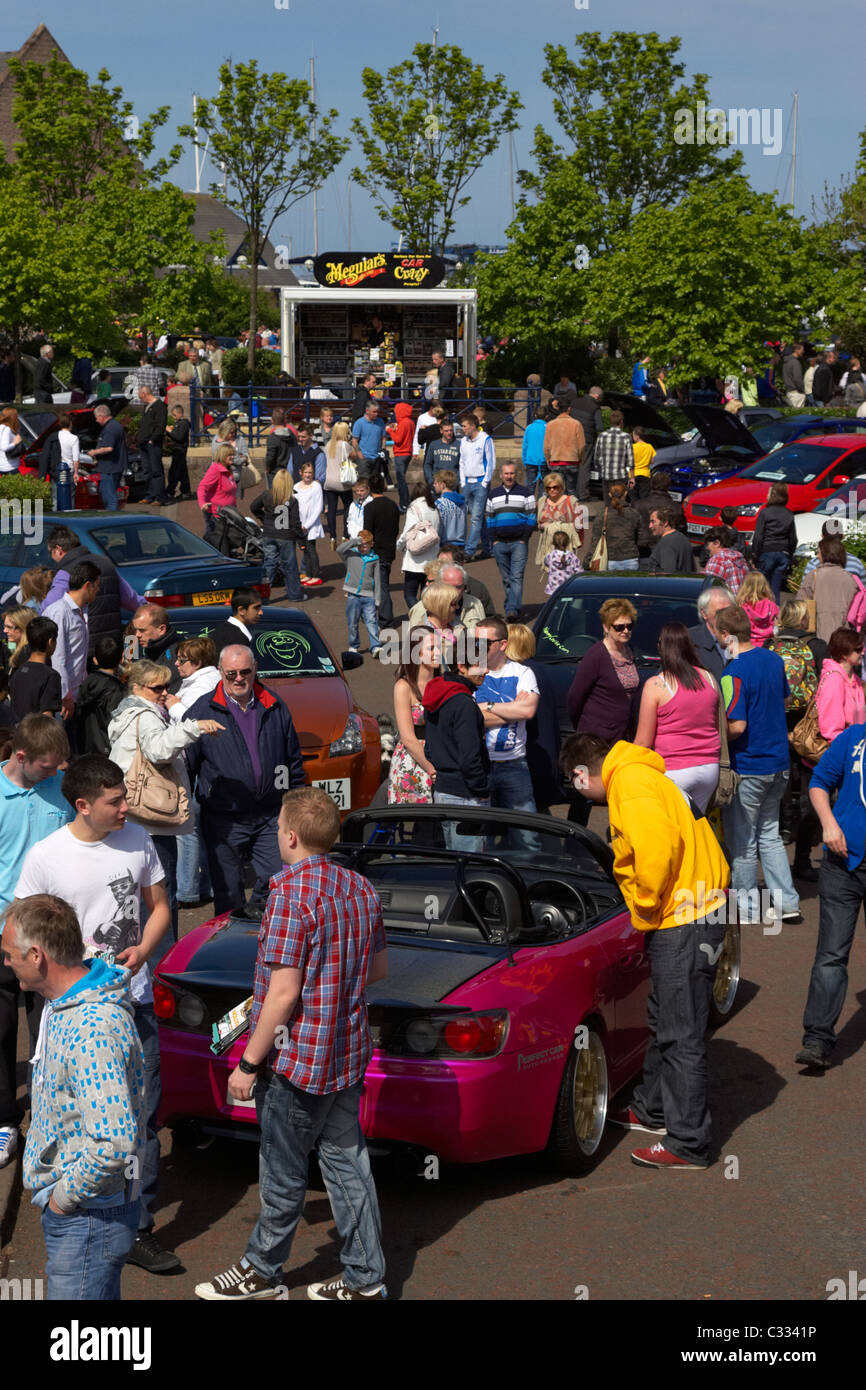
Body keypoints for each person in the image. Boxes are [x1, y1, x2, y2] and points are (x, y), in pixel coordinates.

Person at [195, 787, 387, 1301]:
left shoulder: (286, 895)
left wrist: (248, 1064)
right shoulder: (360, 887)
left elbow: (282, 993)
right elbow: (379, 969)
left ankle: (262, 1271)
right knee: (348, 1164)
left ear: (292, 836)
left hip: (296, 1058)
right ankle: (366, 1278)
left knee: (282, 1171)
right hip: (345, 1051)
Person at [14, 755, 177, 1274]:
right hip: (69, 1011)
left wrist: (144, 951)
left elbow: (160, 908)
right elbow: (23, 928)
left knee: (140, 1118)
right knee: (70, 1114)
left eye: (125, 797)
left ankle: (137, 1223)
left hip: (135, 1001)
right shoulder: (47, 857)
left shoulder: (138, 841)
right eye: (116, 801)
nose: (126, 807)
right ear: (82, 805)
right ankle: (71, 1207)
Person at [560, 732, 729, 1170]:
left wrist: (643, 909)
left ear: (582, 774)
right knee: (664, 1015)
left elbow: (655, 856)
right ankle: (652, 1109)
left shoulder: (629, 786)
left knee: (680, 1031)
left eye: (573, 783)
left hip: (683, 917)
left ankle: (688, 1141)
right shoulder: (640, 775)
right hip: (698, 907)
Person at [2, 894, 145, 1298]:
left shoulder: (91, 1030)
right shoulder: (66, 999)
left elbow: (114, 1141)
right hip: (88, 1213)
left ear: (36, 955)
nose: (6, 963)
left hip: (87, 1216)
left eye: (9, 955)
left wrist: (65, 1198)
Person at [0, 716, 72, 1171]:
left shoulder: (61, 787)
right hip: (3, 935)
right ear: (20, 756)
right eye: (46, 768)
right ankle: (6, 1120)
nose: (54, 774)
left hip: (53, 937)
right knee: (2, 1030)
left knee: (52, 1033)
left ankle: (54, 1122)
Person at [185, 646, 305, 916]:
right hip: (223, 819)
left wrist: (296, 807)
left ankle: (263, 931)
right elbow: (186, 767)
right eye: (231, 674)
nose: (238, 678)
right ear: (220, 673)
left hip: (271, 815)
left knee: (278, 880)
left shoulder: (274, 704)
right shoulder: (202, 710)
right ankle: (231, 947)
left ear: (255, 670)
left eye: (245, 672)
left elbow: (292, 761)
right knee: (228, 894)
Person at [108, 659, 223, 936]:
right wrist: (193, 728)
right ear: (137, 688)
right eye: (157, 687)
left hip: (133, 814)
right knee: (161, 891)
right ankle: (162, 957)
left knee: (140, 892)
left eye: (167, 685)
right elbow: (159, 749)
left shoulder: (126, 713)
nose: (164, 692)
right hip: (152, 816)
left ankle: (146, 952)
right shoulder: (145, 716)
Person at [716, 604, 800, 924]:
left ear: (726, 635)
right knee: (770, 835)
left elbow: (737, 726)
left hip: (750, 765)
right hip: (778, 761)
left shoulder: (733, 672)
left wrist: (716, 735)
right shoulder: (774, 659)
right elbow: (784, 701)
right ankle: (787, 901)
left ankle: (749, 908)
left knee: (745, 841)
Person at [796, 718, 866, 1068]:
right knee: (831, 955)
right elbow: (820, 783)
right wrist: (828, 822)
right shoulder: (854, 737)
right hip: (843, 864)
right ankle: (817, 1038)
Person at [566, 598, 640, 825]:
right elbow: (575, 697)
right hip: (592, 737)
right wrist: (585, 729)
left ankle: (615, 841)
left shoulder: (629, 652)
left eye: (629, 626)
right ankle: (572, 845)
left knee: (616, 791)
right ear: (606, 628)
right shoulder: (596, 655)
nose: (625, 631)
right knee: (582, 794)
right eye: (619, 627)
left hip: (619, 738)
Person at [634, 622, 722, 812]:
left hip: (674, 769)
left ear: (661, 647)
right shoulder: (709, 679)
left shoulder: (657, 684)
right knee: (696, 825)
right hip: (709, 768)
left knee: (673, 827)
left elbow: (643, 741)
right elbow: (715, 725)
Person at [423, 648, 491, 850]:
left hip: (443, 791)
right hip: (465, 796)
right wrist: (482, 789)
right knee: (472, 868)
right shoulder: (464, 704)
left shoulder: (436, 696)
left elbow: (430, 748)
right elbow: (470, 756)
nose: (486, 670)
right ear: (462, 667)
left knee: (455, 866)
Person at [474, 616, 540, 823]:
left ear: (503, 644)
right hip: (479, 764)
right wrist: (512, 709)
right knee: (482, 833)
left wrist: (489, 707)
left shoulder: (523, 673)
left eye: (484, 642)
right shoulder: (470, 673)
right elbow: (469, 717)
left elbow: (528, 712)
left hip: (514, 763)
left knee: (527, 833)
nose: (476, 647)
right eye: (473, 641)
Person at [41, 525, 143, 655]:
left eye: (51, 552)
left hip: (84, 646)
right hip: (111, 645)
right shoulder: (106, 564)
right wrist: (150, 609)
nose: (52, 558)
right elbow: (131, 599)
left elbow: (48, 608)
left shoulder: (67, 571)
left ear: (58, 549)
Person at [43, 561, 101, 724]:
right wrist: (65, 695)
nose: (98, 590)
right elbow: (58, 657)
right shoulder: (60, 612)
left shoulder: (81, 612)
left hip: (76, 695)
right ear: (87, 585)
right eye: (96, 586)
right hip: (63, 701)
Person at [388, 627, 438, 803]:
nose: (438, 653)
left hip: (439, 753)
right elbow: (408, 738)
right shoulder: (404, 687)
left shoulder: (443, 682)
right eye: (432, 648)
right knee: (421, 822)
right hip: (414, 760)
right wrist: (430, 768)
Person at [486, 462, 536, 620]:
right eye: (506, 473)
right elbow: (489, 517)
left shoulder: (526, 493)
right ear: (501, 475)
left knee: (516, 577)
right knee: (506, 578)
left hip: (518, 543)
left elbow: (532, 516)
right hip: (499, 543)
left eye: (512, 473)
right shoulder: (493, 494)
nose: (509, 476)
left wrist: (524, 538)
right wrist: (494, 540)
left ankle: (512, 610)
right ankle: (512, 606)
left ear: (516, 475)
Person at [250, 470, 305, 603]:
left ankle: (263, 597)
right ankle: (294, 595)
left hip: (269, 534)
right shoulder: (292, 500)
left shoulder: (267, 495)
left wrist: (263, 518)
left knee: (269, 564)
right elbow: (295, 523)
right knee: (290, 566)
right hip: (286, 536)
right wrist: (301, 538)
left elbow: (253, 507)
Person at [797, 534, 860, 643]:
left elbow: (799, 605)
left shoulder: (813, 576)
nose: (817, 556)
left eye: (819, 552)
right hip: (844, 638)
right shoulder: (851, 579)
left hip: (816, 636)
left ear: (826, 553)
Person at [73, 633, 125, 756]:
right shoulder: (115, 689)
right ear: (121, 660)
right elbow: (114, 723)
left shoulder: (87, 681)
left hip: (84, 747)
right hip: (107, 750)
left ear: (95, 660)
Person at [815, 626, 866, 742]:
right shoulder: (834, 680)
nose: (863, 652)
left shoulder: (855, 680)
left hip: (855, 745)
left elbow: (860, 719)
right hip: (840, 750)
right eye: (858, 649)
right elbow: (830, 731)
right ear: (844, 654)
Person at [397, 481, 441, 611]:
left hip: (415, 560)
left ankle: (421, 616)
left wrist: (399, 545)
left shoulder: (414, 508)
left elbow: (407, 531)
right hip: (432, 557)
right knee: (426, 594)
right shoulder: (434, 508)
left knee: (409, 594)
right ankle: (427, 615)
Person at [337, 531, 382, 657]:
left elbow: (377, 580)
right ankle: (353, 645)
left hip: (369, 596)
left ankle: (376, 646)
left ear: (371, 544)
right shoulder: (351, 554)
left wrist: (377, 598)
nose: (362, 548)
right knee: (352, 622)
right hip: (352, 595)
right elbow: (339, 549)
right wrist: (354, 541)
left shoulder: (375, 559)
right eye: (360, 545)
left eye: (365, 545)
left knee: (371, 621)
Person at [751, 482, 797, 604]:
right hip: (782, 553)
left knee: (761, 590)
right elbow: (793, 538)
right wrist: (789, 555)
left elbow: (758, 536)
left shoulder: (765, 513)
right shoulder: (788, 513)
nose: (766, 495)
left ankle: (761, 616)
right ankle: (775, 616)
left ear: (773, 495)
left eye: (768, 492)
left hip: (766, 553)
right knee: (775, 591)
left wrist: (755, 554)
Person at [364, 472, 400, 627]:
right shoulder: (393, 505)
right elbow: (396, 528)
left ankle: (385, 618)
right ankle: (375, 614)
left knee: (380, 587)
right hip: (389, 549)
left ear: (370, 488)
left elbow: (367, 533)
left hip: (375, 551)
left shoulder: (370, 507)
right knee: (381, 584)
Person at [459, 413, 496, 561]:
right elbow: (461, 462)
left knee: (475, 518)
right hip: (467, 483)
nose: (462, 429)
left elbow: (491, 462)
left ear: (473, 426)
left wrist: (485, 482)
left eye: (464, 426)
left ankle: (468, 551)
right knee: (479, 518)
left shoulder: (486, 439)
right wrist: (463, 482)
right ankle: (488, 548)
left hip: (480, 483)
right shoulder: (463, 441)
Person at [9, 616, 60, 720]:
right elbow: (47, 716)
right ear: (50, 642)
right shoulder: (51, 675)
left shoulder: (18, 671)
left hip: (19, 731)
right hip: (37, 733)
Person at [407, 565, 484, 633]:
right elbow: (412, 645)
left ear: (464, 586)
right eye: (449, 586)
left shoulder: (475, 603)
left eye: (458, 587)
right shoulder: (419, 609)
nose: (454, 591)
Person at [535, 471, 585, 573]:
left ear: (561, 487)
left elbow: (579, 525)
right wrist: (543, 526)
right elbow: (538, 524)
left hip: (567, 546)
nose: (552, 490)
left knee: (567, 576)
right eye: (549, 488)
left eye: (555, 487)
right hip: (548, 547)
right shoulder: (541, 502)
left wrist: (558, 526)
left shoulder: (571, 501)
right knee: (553, 578)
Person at [688, 585, 734, 683]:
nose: (725, 617)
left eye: (729, 611)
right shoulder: (688, 641)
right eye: (719, 612)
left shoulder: (739, 637)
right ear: (704, 613)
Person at [591, 481, 640, 571]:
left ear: (610, 495)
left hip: (610, 558)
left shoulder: (603, 514)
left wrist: (588, 560)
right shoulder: (634, 513)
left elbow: (595, 539)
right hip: (630, 557)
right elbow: (640, 536)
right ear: (625, 493)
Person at [88, 404, 128, 511]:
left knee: (110, 499)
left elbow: (109, 448)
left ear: (101, 416)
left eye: (96, 418)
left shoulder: (109, 429)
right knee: (108, 494)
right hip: (115, 467)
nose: (96, 420)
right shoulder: (116, 425)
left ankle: (111, 521)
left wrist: (94, 452)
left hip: (109, 469)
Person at [543, 397, 585, 499]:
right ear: (569, 409)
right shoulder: (576, 424)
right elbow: (582, 445)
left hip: (555, 460)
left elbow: (546, 446)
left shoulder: (550, 424)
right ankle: (572, 511)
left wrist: (548, 458)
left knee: (557, 491)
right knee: (571, 491)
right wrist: (580, 457)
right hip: (572, 460)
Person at [635, 471, 685, 554]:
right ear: (668, 487)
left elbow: (632, 528)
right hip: (667, 548)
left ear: (651, 485)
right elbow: (681, 531)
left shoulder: (638, 504)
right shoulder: (676, 507)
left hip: (643, 548)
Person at [437, 546, 493, 618]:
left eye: (446, 563)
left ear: (461, 564)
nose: (441, 567)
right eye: (439, 563)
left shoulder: (477, 589)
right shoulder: (431, 588)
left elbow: (489, 618)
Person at [198, 442, 237, 544]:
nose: (232, 457)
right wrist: (202, 503)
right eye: (229, 455)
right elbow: (202, 487)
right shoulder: (215, 469)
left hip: (228, 514)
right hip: (216, 514)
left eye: (233, 454)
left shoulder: (228, 469)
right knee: (216, 542)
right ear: (222, 456)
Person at [136, 385, 169, 505]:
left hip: (152, 443)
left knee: (156, 470)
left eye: (141, 397)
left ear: (145, 394)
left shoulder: (159, 406)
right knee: (147, 470)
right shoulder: (146, 407)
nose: (141, 399)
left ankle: (160, 497)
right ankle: (150, 495)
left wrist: (153, 439)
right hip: (143, 443)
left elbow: (160, 425)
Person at [208, 587, 264, 657]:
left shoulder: (218, 631)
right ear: (241, 610)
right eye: (256, 608)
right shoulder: (238, 640)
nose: (261, 612)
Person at [323, 421, 354, 543]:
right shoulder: (345, 445)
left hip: (329, 481)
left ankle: (332, 536)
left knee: (331, 509)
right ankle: (345, 534)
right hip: (342, 482)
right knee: (348, 507)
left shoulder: (328, 444)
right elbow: (354, 456)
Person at [594, 410, 634, 504]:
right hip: (620, 476)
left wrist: (601, 470)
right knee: (619, 503)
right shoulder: (626, 437)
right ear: (621, 422)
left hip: (606, 476)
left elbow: (596, 457)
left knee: (608, 503)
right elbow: (630, 460)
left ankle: (607, 518)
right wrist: (632, 478)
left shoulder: (602, 436)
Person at [570, 386, 603, 501]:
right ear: (597, 396)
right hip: (587, 440)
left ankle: (571, 492)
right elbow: (600, 427)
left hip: (572, 438)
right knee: (584, 466)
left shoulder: (575, 402)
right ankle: (583, 494)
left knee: (573, 465)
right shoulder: (595, 407)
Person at [295, 460, 325, 586]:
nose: (308, 475)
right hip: (299, 524)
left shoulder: (316, 486)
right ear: (300, 473)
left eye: (310, 473)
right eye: (306, 472)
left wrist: (307, 525)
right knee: (305, 549)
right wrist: (298, 524)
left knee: (311, 548)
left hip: (311, 525)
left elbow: (318, 507)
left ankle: (315, 575)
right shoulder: (295, 487)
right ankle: (307, 573)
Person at [385, 401, 415, 512]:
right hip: (408, 452)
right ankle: (406, 502)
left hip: (401, 453)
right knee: (402, 479)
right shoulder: (410, 422)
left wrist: (390, 430)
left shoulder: (403, 422)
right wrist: (395, 429)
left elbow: (397, 439)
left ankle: (404, 504)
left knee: (401, 481)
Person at [736, 571, 779, 645]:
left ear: (745, 586)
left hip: (747, 644)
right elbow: (779, 620)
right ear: (764, 585)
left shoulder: (742, 607)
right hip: (768, 643)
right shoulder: (771, 605)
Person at [647, 507, 695, 573]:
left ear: (665, 523)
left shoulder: (666, 543)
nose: (650, 526)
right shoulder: (682, 538)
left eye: (653, 522)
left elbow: (667, 573)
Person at [351, 400, 387, 481]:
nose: (376, 414)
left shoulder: (380, 422)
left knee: (375, 484)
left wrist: (383, 450)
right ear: (367, 411)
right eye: (374, 412)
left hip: (377, 458)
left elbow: (383, 438)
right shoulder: (359, 423)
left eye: (377, 412)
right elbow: (354, 441)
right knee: (364, 484)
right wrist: (361, 456)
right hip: (364, 459)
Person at [432, 468, 467, 547]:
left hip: (445, 547)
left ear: (443, 485)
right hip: (460, 545)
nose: (434, 485)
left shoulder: (439, 504)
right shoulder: (463, 503)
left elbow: (438, 527)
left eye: (436, 483)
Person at [543, 529, 583, 594]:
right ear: (567, 543)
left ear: (553, 543)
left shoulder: (550, 556)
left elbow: (546, 563)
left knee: (556, 603)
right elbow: (579, 571)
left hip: (554, 588)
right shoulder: (572, 556)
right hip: (568, 587)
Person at [165, 404, 192, 500]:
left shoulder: (183, 424)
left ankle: (170, 491)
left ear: (180, 414)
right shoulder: (178, 424)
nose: (173, 417)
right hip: (177, 450)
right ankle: (186, 491)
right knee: (182, 471)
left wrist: (169, 431)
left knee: (174, 472)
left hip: (180, 450)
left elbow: (179, 437)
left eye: (175, 415)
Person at [521, 407, 547, 492]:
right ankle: (541, 504)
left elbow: (525, 445)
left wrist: (524, 460)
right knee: (543, 487)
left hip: (530, 460)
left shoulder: (529, 428)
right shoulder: (548, 427)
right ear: (546, 416)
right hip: (544, 461)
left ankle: (529, 504)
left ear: (535, 415)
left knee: (530, 487)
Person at [4, 604, 34, 674]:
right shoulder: (12, 646)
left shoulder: (27, 654)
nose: (5, 630)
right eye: (4, 626)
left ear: (23, 627)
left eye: (9, 627)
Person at [629, 427, 655, 500]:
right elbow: (652, 461)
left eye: (633, 435)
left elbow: (630, 463)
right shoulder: (649, 447)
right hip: (645, 475)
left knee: (633, 498)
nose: (633, 437)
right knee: (644, 498)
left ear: (637, 437)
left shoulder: (632, 447)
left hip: (633, 475)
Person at [0, 406, 22, 476]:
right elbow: (4, 447)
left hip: (3, 465)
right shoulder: (7, 429)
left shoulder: (1, 427)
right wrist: (15, 443)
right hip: (10, 467)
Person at [782, 343, 806, 407]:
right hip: (796, 393)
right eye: (802, 350)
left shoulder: (786, 362)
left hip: (789, 392)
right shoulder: (795, 362)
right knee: (798, 415)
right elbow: (797, 379)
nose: (803, 351)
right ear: (796, 350)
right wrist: (802, 390)